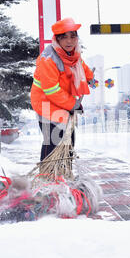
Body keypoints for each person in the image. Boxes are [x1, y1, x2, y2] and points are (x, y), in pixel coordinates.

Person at [31, 18, 94, 161]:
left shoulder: (73, 54)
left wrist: (90, 77)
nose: (69, 41)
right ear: (57, 39)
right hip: (45, 103)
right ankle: (47, 175)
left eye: (73, 36)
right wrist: (73, 105)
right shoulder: (48, 59)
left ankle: (65, 172)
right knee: (53, 140)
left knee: (69, 140)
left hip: (62, 102)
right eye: (64, 37)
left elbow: (81, 66)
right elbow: (51, 90)